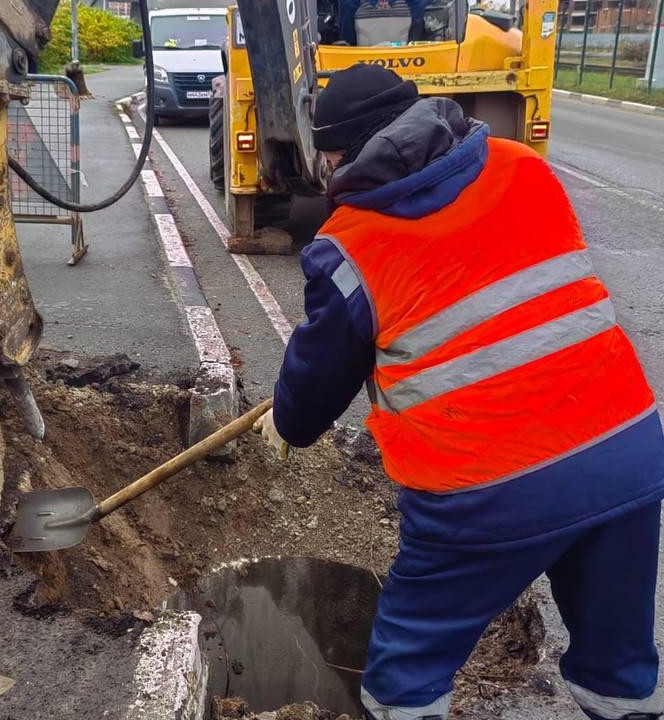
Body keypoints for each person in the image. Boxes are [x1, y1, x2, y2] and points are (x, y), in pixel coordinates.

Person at [252, 64, 664, 720]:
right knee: (617, 670)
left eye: (328, 156)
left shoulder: (350, 244)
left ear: (348, 151)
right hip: (625, 452)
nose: (326, 169)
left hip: (488, 486)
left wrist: (289, 420)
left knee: (403, 679)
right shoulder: (519, 164)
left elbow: (317, 380)